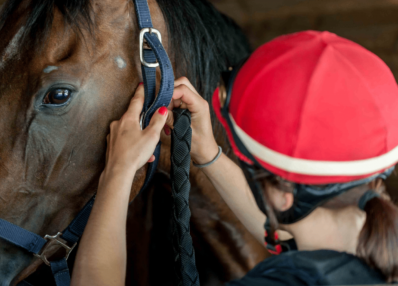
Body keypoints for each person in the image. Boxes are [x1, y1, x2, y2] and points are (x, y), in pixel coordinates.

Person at [71, 31, 398, 285]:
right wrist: (210, 153)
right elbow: (285, 237)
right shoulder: (373, 247)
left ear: (283, 196)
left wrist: (118, 170)